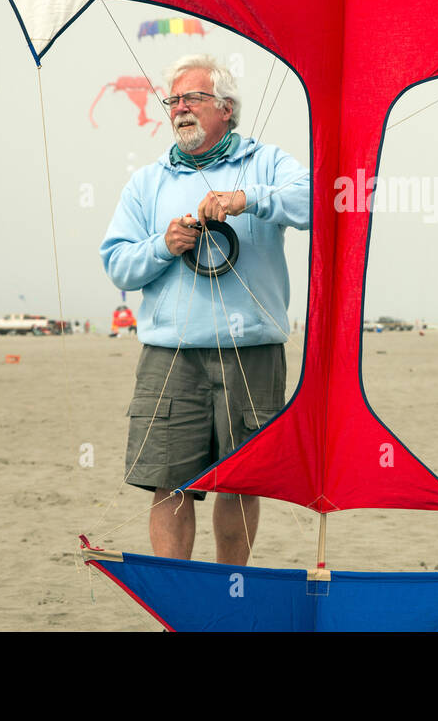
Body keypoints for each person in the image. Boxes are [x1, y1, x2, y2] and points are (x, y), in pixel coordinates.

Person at [101, 54, 310, 565]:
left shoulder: (265, 162)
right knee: (166, 484)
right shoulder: (146, 182)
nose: (179, 109)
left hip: (252, 352)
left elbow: (315, 203)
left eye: (192, 98)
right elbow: (118, 266)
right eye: (173, 100)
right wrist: (161, 245)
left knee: (240, 483)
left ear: (227, 108)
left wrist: (249, 199)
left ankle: (227, 594)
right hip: (169, 354)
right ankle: (179, 606)